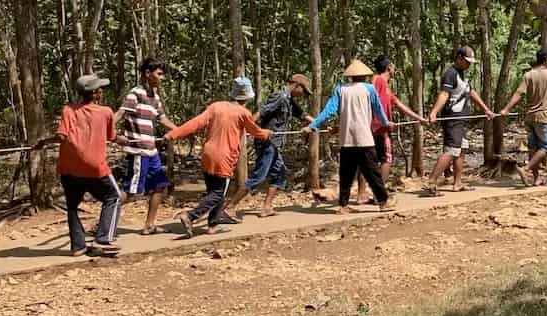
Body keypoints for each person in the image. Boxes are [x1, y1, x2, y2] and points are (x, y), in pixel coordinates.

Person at [168, 76, 272, 235]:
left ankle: (213, 224)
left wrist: (174, 134)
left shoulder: (215, 107)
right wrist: (266, 133)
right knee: (217, 193)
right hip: (224, 157)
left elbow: (195, 123)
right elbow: (256, 132)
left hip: (208, 154)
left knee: (216, 190)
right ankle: (190, 216)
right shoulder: (243, 113)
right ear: (246, 97)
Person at [35, 74, 122, 256]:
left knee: (73, 205)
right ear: (96, 93)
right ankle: (103, 239)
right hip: (93, 167)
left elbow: (61, 136)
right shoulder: (106, 112)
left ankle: (78, 246)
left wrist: (44, 141)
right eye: (100, 89)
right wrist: (132, 142)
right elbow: (112, 137)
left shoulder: (68, 110)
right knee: (113, 197)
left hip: (69, 168)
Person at [305, 60, 392, 213]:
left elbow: (329, 110)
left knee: (346, 174)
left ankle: (343, 205)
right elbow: (378, 109)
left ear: (350, 76)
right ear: (364, 75)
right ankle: (383, 202)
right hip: (364, 138)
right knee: (373, 173)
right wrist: (386, 123)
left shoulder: (341, 89)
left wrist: (313, 125)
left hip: (346, 139)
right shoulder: (369, 89)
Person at [227, 73, 313, 219]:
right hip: (267, 143)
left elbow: (302, 114)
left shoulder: (289, 100)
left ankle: (266, 207)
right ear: (297, 86)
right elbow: (261, 112)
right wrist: (246, 128)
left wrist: (319, 124)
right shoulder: (279, 96)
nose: (303, 94)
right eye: (303, 91)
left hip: (275, 144)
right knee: (259, 177)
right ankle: (230, 207)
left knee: (280, 176)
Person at [115, 58, 179, 234]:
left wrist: (181, 131)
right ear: (147, 74)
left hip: (152, 151)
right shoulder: (134, 94)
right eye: (159, 74)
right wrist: (107, 132)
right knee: (132, 191)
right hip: (139, 151)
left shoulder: (155, 97)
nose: (162, 78)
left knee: (159, 186)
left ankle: (149, 225)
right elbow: (120, 114)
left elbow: (162, 119)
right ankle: (103, 221)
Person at [423, 46, 496, 196]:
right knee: (451, 151)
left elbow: (471, 92)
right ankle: (431, 181)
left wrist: (485, 109)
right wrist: (434, 112)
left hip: (461, 119)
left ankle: (457, 183)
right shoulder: (450, 74)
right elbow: (444, 94)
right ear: (459, 58)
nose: (469, 64)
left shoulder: (462, 75)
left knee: (461, 149)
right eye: (467, 61)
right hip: (453, 118)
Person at [361, 56, 428, 199]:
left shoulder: (386, 86)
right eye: (393, 66)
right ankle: (379, 194)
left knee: (370, 161)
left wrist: (419, 119)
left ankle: (369, 193)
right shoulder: (378, 80)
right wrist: (383, 121)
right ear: (389, 68)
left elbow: (399, 105)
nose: (394, 69)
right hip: (378, 129)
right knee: (386, 159)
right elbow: (370, 97)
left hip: (380, 129)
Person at [500, 48, 547, 187]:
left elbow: (518, 93)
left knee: (533, 148)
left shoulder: (529, 75)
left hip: (529, 116)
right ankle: (526, 169)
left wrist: (506, 109)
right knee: (545, 148)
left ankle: (537, 178)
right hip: (544, 117)